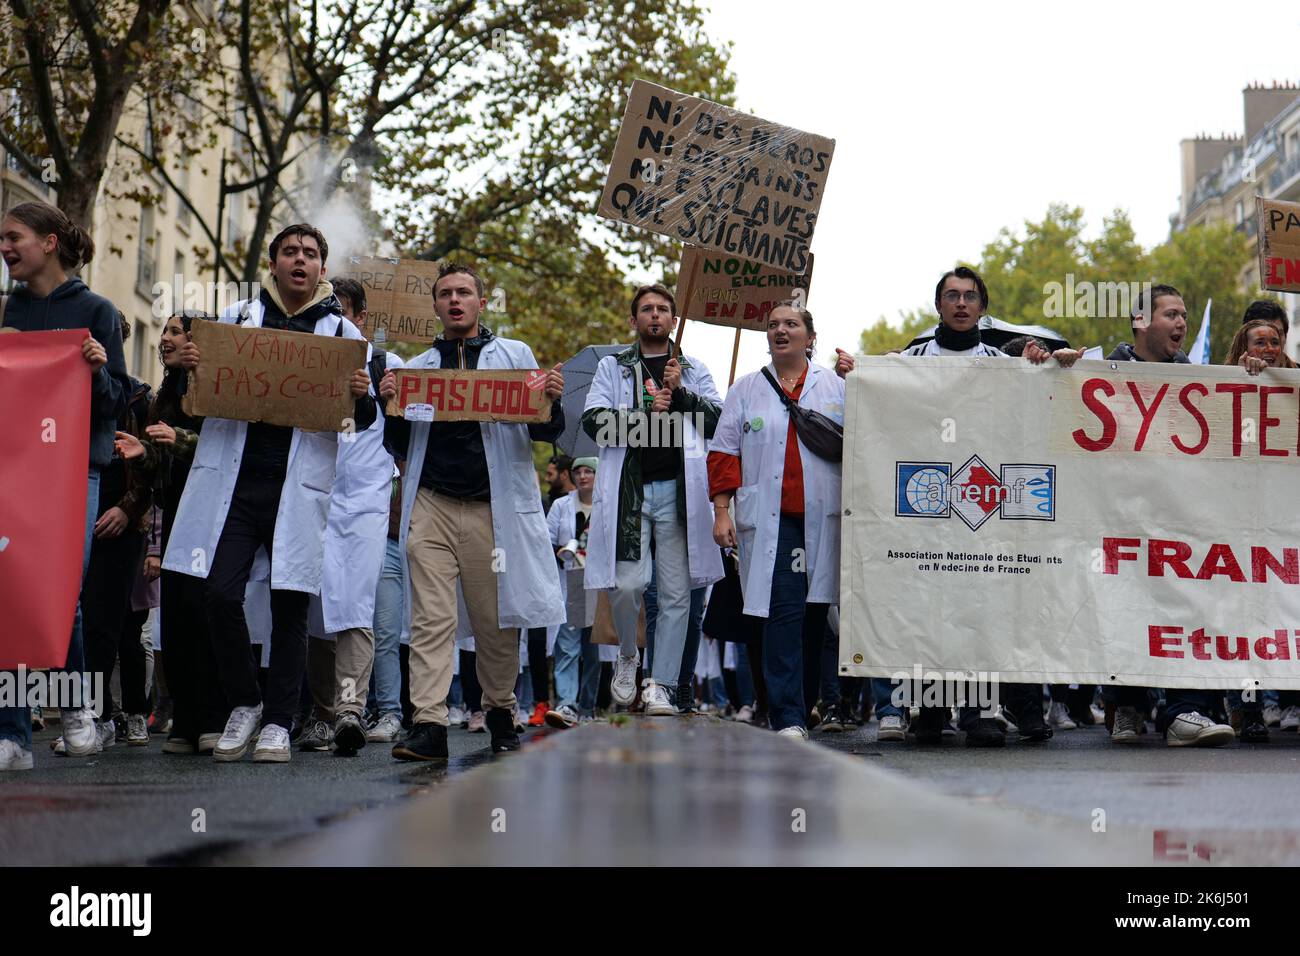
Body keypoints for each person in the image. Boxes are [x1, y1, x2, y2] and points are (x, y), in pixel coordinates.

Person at [162, 223, 376, 763]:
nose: (299, 261)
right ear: (275, 264)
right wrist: (181, 372)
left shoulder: (343, 336)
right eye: (289, 252)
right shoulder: (232, 322)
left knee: (290, 607)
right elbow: (178, 409)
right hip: (233, 487)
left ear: (322, 270)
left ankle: (280, 722)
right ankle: (245, 703)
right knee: (217, 594)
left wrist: (361, 395)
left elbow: (360, 421)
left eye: (309, 254)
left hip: (296, 491)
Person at [850, 266, 1075, 746]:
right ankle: (930, 711)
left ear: (982, 306)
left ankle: (978, 712)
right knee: (931, 605)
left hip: (982, 501)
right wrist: (865, 377)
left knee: (979, 606)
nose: (960, 303)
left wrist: (1050, 365)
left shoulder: (1001, 360)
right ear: (938, 306)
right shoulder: (909, 360)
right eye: (951, 295)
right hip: (928, 502)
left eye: (970, 296)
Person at [378, 262, 565, 760]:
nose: (455, 300)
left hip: (493, 509)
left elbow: (543, 431)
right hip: (431, 506)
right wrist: (388, 405)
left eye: (464, 293)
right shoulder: (415, 369)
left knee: (494, 619)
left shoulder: (514, 356)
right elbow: (397, 442)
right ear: (436, 306)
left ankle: (501, 710)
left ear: (482, 303)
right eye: (446, 294)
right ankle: (430, 724)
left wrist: (552, 402)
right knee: (430, 619)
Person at [0, 201, 130, 772]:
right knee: (10, 595)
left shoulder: (98, 310)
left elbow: (116, 402)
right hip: (14, 469)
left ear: (49, 242)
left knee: (59, 595)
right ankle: (12, 734)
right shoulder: (10, 310)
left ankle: (77, 706)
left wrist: (97, 368)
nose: (5, 248)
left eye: (13, 237)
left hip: (76, 470)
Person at [581, 284, 724, 716]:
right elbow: (594, 422)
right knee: (628, 584)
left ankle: (661, 684)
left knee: (678, 594)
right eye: (647, 309)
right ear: (634, 320)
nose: (655, 315)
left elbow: (718, 421)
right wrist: (646, 417)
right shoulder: (614, 368)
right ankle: (628, 653)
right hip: (631, 492)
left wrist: (681, 396)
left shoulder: (692, 368)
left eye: (663, 309)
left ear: (674, 320)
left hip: (680, 493)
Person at [1104, 284, 1234, 747]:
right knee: (1124, 608)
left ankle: (1184, 712)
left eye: (1184, 314)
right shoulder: (1102, 372)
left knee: (1186, 606)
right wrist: (1048, 363)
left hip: (1180, 522)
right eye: (1171, 314)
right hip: (1122, 519)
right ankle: (1128, 706)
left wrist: (1254, 379)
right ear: (1142, 321)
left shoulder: (1201, 381)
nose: (1181, 323)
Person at [708, 305, 845, 740]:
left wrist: (861, 376)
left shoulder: (837, 387)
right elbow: (724, 454)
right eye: (773, 325)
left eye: (791, 324)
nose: (780, 330)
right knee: (783, 613)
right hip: (774, 523)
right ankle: (788, 717)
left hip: (824, 519)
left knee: (813, 615)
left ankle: (799, 708)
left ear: (810, 336)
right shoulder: (746, 389)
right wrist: (722, 511)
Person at [300, 277, 403, 756]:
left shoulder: (388, 367)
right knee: (315, 608)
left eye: (339, 312)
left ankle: (348, 710)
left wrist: (388, 398)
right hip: (310, 496)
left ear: (359, 318)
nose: (331, 323)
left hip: (365, 503)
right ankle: (321, 714)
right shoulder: (302, 365)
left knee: (355, 605)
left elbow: (411, 433)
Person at [116, 312, 227, 754]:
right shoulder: (164, 396)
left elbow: (223, 449)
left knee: (206, 615)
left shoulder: (218, 389)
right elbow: (160, 468)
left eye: (176, 332)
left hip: (213, 517)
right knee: (176, 619)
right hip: (178, 514)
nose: (165, 339)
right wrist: (144, 453)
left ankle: (214, 719)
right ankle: (186, 721)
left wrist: (176, 439)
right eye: (163, 331)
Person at [80, 314, 154, 749]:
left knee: (112, 622)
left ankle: (105, 715)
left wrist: (126, 511)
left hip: (120, 524)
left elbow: (151, 467)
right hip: (74, 516)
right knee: (81, 620)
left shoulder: (139, 396)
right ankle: (91, 712)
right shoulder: (68, 388)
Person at [544, 457, 600, 727]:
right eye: (578, 471)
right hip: (570, 581)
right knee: (567, 646)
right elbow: (546, 539)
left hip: (598, 584)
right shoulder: (561, 505)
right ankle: (567, 703)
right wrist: (558, 551)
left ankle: (587, 706)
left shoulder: (607, 505)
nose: (583, 476)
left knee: (592, 650)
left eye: (589, 471)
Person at [1236, 300, 1295, 368]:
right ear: (1244, 341)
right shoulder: (1224, 375)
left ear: (1285, 337)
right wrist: (1240, 375)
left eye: (1275, 341)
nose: (1270, 349)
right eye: (1260, 342)